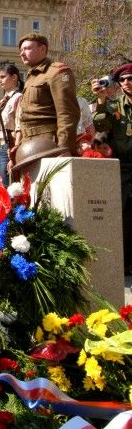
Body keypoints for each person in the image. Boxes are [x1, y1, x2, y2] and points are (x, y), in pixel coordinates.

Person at [13, 33, 80, 175]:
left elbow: (67, 113)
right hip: (30, 145)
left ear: (42, 49)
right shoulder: (32, 76)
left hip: (49, 144)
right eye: (20, 50)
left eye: (26, 49)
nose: (22, 54)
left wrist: (64, 148)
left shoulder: (57, 72)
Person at [92, 63, 132, 275]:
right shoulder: (115, 104)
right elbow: (101, 125)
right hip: (123, 167)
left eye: (130, 79)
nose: (126, 83)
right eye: (123, 80)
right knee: (123, 216)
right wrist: (100, 100)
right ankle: (125, 263)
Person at [0, 64, 23, 185]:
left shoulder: (18, 97)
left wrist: (15, 151)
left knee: (6, 184)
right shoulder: (1, 101)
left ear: (14, 77)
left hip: (8, 145)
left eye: (3, 77)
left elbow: (19, 125)